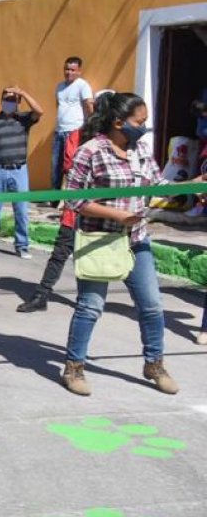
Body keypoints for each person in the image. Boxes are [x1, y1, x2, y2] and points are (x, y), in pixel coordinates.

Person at [59, 92, 196, 397]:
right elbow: (73, 199)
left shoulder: (141, 150)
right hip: (100, 240)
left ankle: (154, 364)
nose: (144, 128)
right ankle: (74, 367)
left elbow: (158, 184)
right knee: (90, 307)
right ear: (118, 122)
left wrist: (192, 185)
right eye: (140, 122)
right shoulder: (90, 151)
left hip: (136, 239)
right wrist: (118, 215)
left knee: (152, 306)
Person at [16, 129, 84, 314]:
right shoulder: (79, 136)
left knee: (89, 256)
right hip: (76, 211)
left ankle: (86, 298)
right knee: (60, 254)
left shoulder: (118, 143)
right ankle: (42, 295)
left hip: (103, 214)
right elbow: (70, 166)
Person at [0, 86, 43, 259]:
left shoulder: (24, 119)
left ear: (18, 102)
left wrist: (23, 92)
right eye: (6, 99)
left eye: (13, 100)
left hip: (19, 170)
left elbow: (39, 111)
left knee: (21, 211)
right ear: (1, 100)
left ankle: (22, 245)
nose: (9, 103)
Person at [53, 56, 94, 190]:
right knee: (55, 165)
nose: (68, 72)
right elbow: (58, 105)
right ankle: (54, 198)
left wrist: (90, 125)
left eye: (72, 69)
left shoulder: (82, 85)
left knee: (71, 165)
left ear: (79, 71)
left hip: (74, 131)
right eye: (66, 69)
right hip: (59, 130)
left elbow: (89, 105)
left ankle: (70, 197)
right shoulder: (59, 86)